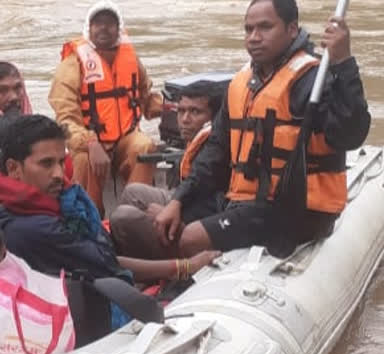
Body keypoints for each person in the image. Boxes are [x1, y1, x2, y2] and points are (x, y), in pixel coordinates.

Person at [0, 115, 218, 325]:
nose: (59, 174)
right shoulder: (33, 227)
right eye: (46, 164)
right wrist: (185, 266)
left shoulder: (37, 206)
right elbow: (107, 263)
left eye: (61, 161)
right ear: (13, 168)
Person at [154, 0, 370, 257]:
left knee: (190, 237)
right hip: (244, 201)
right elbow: (216, 152)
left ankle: (180, 279)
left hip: (297, 208)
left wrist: (342, 61)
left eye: (265, 28)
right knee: (162, 223)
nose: (254, 37)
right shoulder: (241, 83)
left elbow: (350, 134)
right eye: (248, 29)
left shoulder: (312, 79)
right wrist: (180, 198)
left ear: (292, 29)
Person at [49, 0, 164, 215]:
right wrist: (90, 142)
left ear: (118, 28)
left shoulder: (131, 59)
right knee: (83, 159)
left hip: (124, 140)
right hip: (88, 143)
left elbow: (145, 97)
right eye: (98, 23)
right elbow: (64, 120)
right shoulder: (72, 64)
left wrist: (163, 107)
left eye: (110, 23)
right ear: (89, 28)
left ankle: (133, 212)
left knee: (145, 146)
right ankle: (91, 219)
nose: (103, 28)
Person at [110, 82, 225, 259]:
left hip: (203, 222)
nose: (185, 119)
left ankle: (161, 270)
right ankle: (133, 260)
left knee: (123, 217)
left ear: (215, 117)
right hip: (189, 202)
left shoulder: (219, 149)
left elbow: (219, 203)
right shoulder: (197, 140)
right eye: (181, 111)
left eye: (195, 112)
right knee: (133, 192)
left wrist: (177, 214)